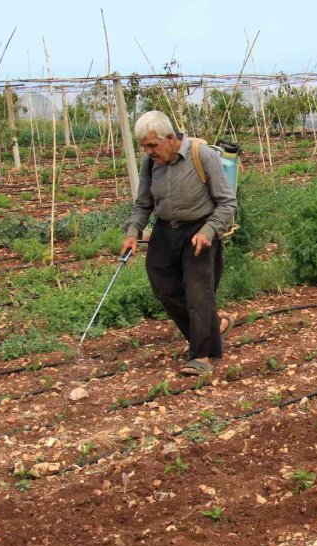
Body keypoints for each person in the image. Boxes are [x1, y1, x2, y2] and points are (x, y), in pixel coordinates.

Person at [121, 111, 237, 375]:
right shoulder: (150, 163)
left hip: (199, 231)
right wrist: (133, 231)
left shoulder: (202, 156)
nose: (149, 151)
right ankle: (213, 325)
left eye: (153, 145)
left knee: (198, 293)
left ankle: (202, 357)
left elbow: (227, 203)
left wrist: (208, 231)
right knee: (163, 286)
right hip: (165, 231)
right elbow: (143, 203)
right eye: (144, 146)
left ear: (171, 138)